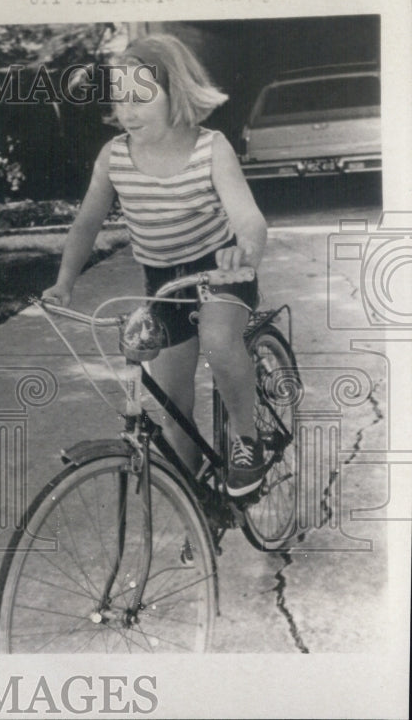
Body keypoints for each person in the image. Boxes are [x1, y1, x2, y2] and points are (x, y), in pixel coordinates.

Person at [43, 34, 269, 496]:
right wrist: (64, 283)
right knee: (171, 401)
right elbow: (86, 223)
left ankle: (248, 440)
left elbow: (249, 219)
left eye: (141, 97)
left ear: (177, 93)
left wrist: (242, 250)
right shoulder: (115, 156)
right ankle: (196, 499)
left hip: (219, 270)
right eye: (120, 99)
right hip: (162, 283)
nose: (128, 111)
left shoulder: (212, 148)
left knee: (220, 341)